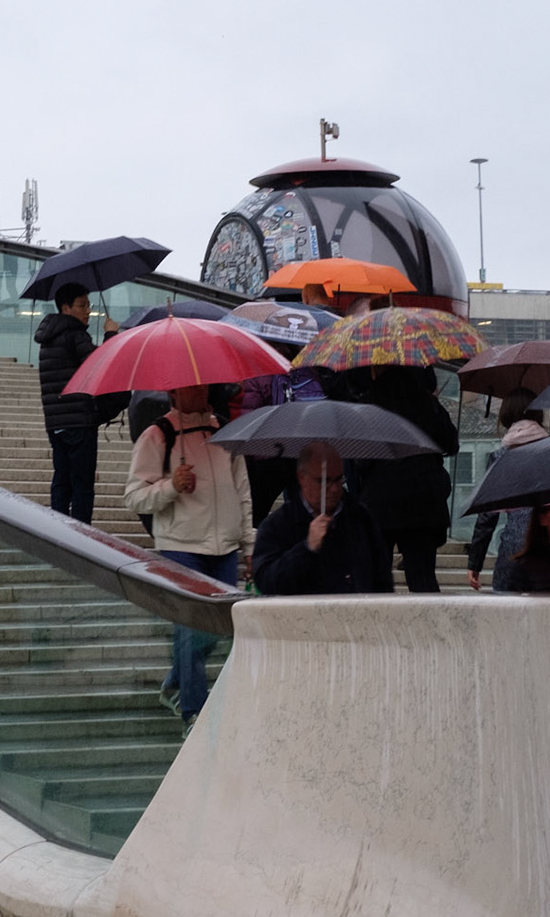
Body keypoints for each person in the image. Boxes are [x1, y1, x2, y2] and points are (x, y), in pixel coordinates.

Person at [125, 383, 253, 728]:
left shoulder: (225, 433)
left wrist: (248, 543)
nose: (200, 390)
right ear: (174, 392)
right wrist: (171, 486)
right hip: (181, 547)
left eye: (203, 384)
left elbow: (242, 492)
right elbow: (135, 497)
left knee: (216, 631)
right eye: (190, 386)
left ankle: (175, 681)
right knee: (190, 631)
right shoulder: (158, 435)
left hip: (223, 548)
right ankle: (194, 711)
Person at [352, 366, 458, 592]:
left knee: (377, 580)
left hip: (381, 503)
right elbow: (451, 444)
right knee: (422, 579)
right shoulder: (427, 403)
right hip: (424, 504)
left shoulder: (368, 405)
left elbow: (360, 461)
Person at [252, 443, 394, 595]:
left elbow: (382, 579)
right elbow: (266, 582)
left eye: (339, 479)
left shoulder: (360, 518)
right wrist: (306, 549)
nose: (333, 489)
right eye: (324, 481)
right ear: (302, 477)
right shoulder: (279, 524)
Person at [466, 391, 548, 591]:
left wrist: (475, 561)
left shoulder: (501, 457)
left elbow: (487, 514)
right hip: (547, 544)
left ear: (506, 415)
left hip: (513, 547)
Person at [35, 283, 100, 523]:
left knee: (62, 480)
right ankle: (82, 539)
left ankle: (58, 532)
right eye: (82, 306)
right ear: (66, 308)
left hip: (56, 423)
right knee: (82, 484)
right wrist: (112, 336)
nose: (88, 311)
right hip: (78, 421)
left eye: (88, 305)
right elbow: (96, 365)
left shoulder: (48, 337)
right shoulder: (75, 334)